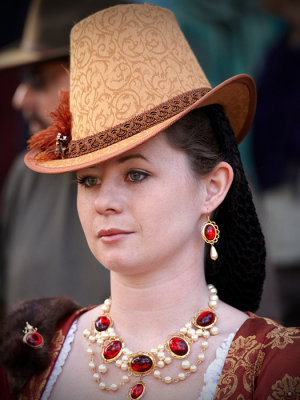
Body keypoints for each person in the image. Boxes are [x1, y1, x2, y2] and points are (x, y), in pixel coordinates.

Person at [0, 4, 299, 400]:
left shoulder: (275, 366)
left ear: (212, 187)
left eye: (136, 174)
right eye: (88, 180)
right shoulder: (35, 352)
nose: (103, 201)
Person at [0, 0, 130, 311]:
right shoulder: (28, 173)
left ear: (100, 75)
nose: (20, 99)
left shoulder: (191, 170)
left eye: (38, 81)